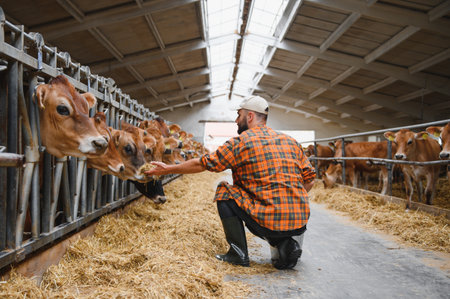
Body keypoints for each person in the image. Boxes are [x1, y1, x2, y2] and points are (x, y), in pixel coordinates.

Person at [144, 96, 316, 270]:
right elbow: (310, 179)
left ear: (249, 117)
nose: (236, 120)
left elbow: (203, 163)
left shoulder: (240, 143)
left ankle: (238, 254)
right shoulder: (291, 142)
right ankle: (286, 244)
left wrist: (168, 169)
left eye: (238, 115)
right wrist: (289, 199)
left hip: (267, 222)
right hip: (299, 223)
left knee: (224, 191)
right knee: (279, 227)